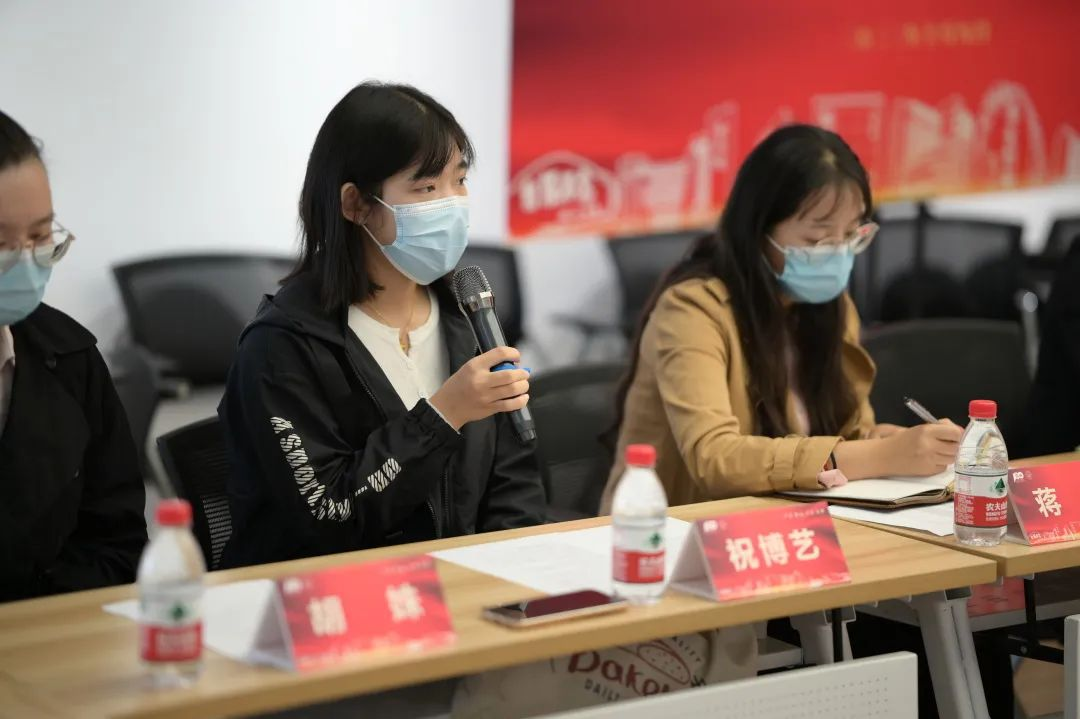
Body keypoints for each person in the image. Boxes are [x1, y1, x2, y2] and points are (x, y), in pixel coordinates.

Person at [218, 82, 545, 570]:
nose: (452, 204)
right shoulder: (282, 346)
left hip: (464, 589)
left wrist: (504, 580)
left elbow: (516, 484)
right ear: (356, 204)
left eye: (459, 181)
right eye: (426, 188)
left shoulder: (467, 312)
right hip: (333, 594)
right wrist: (443, 416)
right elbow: (330, 513)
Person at [600, 124, 963, 512]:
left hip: (791, 521)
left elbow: (848, 432)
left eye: (850, 235)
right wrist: (880, 455)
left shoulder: (833, 307)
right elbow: (715, 458)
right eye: (817, 239)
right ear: (758, 230)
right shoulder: (693, 309)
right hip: (670, 530)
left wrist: (890, 441)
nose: (837, 253)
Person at [0, 110, 147, 602]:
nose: (25, 261)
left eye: (40, 236)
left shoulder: (70, 358)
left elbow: (118, 541)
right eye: (0, 243)